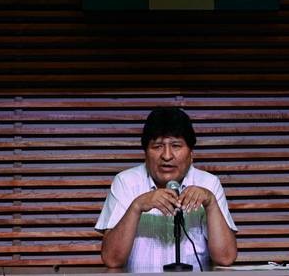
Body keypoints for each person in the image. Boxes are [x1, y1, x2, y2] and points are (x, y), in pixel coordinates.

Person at [96, 108, 237, 271]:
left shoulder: (209, 183)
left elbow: (226, 258)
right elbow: (112, 260)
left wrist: (211, 203)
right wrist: (136, 206)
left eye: (176, 146)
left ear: (191, 153)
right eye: (157, 146)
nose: (167, 156)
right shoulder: (126, 182)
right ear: (145, 153)